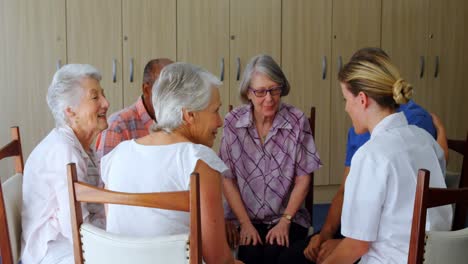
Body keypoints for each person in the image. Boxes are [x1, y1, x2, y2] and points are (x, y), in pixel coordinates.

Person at [279, 47, 450, 264]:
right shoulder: (425, 140)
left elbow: (356, 246)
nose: (346, 109)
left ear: (362, 99)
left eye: (345, 100)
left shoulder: (371, 155)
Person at [101, 62, 242, 264]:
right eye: (215, 111)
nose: (220, 122)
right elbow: (218, 260)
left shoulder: (116, 155)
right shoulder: (198, 161)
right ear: (189, 115)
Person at [219, 54, 321, 264]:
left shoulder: (297, 121)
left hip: (287, 217)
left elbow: (303, 179)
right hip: (244, 218)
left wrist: (285, 221)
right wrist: (245, 223)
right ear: (248, 92)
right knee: (251, 256)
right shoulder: (232, 122)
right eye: (260, 91)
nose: (269, 98)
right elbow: (227, 178)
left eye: (275, 89)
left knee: (277, 255)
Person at [21, 64, 109, 264]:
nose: (106, 103)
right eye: (95, 97)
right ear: (70, 111)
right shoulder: (64, 151)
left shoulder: (80, 145)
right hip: (55, 251)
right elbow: (75, 228)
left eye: (103, 95)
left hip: (71, 242)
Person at [96, 58, 173, 159]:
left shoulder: (182, 121)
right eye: (166, 90)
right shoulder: (117, 126)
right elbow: (106, 173)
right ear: (146, 90)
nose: (174, 96)